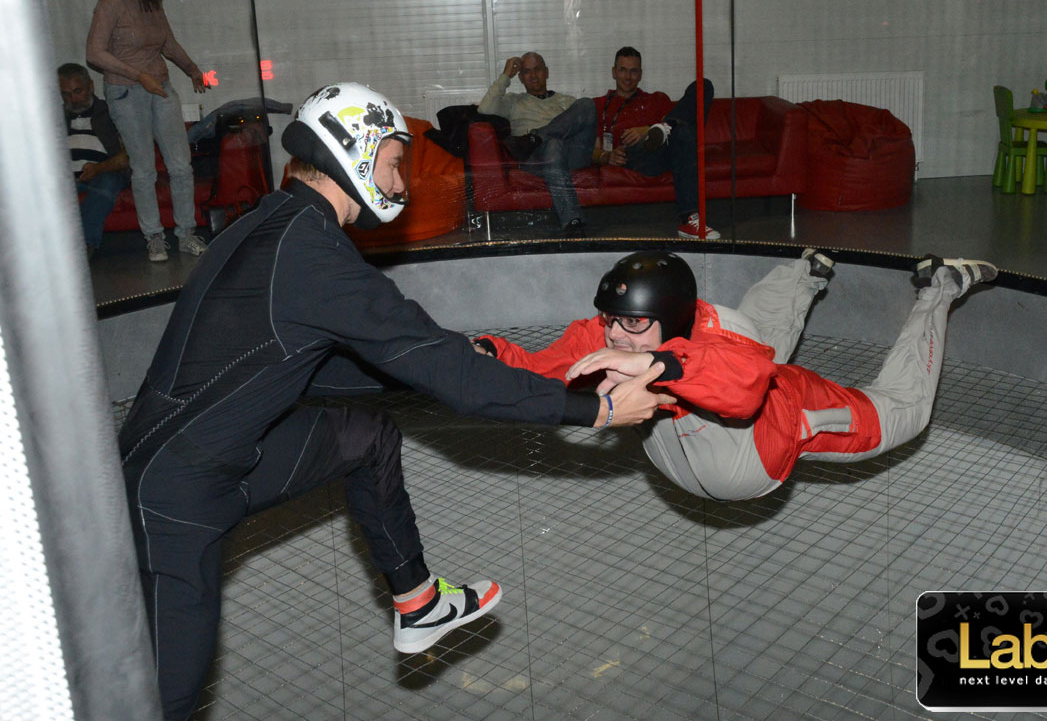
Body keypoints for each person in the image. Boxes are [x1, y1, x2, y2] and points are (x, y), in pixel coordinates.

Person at [117, 82, 673, 720]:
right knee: (164, 704)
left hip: (222, 461)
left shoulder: (279, 225)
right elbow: (448, 374)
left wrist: (456, 364)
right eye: (392, 162)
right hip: (170, 499)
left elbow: (317, 371)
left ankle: (418, 601)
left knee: (364, 437)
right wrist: (595, 411)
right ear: (352, 152)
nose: (401, 183)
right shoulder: (313, 256)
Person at [475, 249, 998, 502]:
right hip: (686, 456)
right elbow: (541, 368)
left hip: (773, 433)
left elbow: (744, 389)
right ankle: (809, 269)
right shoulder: (612, 334)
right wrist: (483, 354)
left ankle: (942, 284)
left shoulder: (718, 344)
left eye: (633, 324)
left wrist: (658, 364)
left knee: (906, 408)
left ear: (671, 320)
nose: (616, 337)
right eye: (612, 321)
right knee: (753, 333)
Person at [86, 0, 210, 263]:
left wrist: (193, 69)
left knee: (181, 165)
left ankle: (186, 233)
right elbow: (94, 53)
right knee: (143, 170)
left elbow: (168, 44)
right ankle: (154, 237)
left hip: (160, 88)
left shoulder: (152, 5)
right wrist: (139, 76)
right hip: (126, 92)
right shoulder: (111, 3)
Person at [593, 47, 718, 239]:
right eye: (623, 70)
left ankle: (689, 221)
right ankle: (662, 130)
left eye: (634, 71)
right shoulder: (600, 105)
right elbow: (591, 148)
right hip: (636, 156)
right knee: (678, 132)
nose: (628, 77)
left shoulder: (657, 99)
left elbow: (687, 124)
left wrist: (647, 128)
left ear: (640, 74)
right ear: (613, 72)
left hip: (669, 152)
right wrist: (607, 156)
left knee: (704, 86)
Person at [478, 52, 598, 234]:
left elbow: (586, 133)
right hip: (535, 159)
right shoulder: (513, 102)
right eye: (527, 72)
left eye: (537, 70)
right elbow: (485, 109)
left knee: (587, 104)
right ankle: (572, 220)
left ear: (547, 72)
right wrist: (505, 76)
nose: (533, 76)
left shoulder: (565, 102)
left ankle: (538, 136)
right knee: (554, 144)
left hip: (570, 156)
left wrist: (603, 155)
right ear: (521, 77)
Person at [58, 62, 130, 260]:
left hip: (105, 172)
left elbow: (129, 156)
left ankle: (82, 247)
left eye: (78, 91)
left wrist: (99, 168)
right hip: (67, 177)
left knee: (107, 183)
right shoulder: (55, 118)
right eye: (66, 94)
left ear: (91, 86)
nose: (73, 99)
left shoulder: (110, 113)